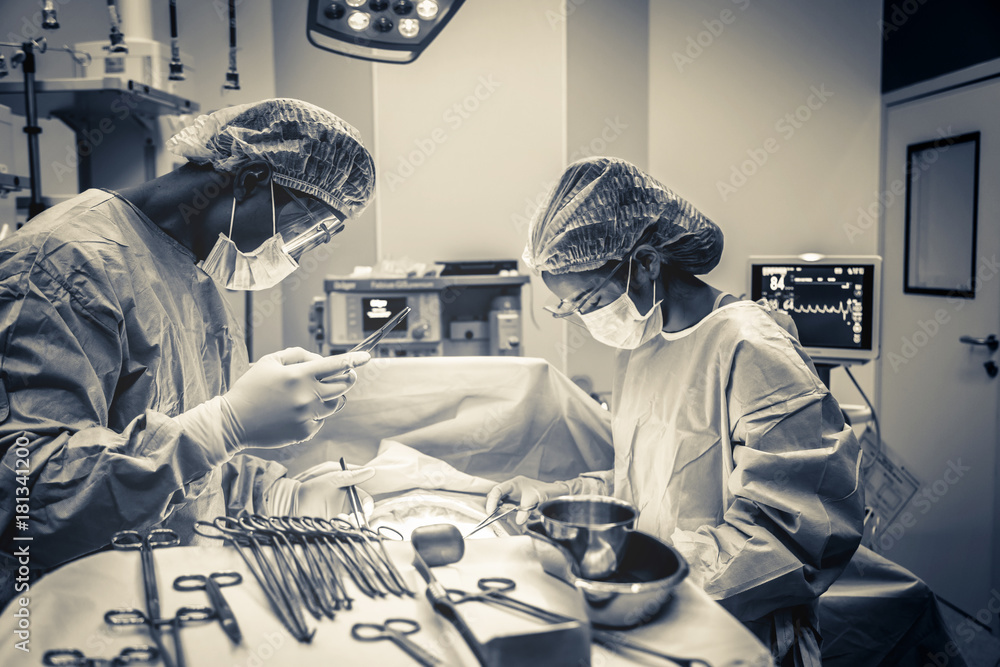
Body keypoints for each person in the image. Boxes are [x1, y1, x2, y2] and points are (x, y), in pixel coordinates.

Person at [487, 157, 865, 666]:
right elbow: (647, 487)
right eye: (570, 307)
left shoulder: (751, 349)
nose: (585, 319)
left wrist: (656, 580)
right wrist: (558, 498)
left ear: (644, 262)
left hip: (734, 632)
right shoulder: (644, 348)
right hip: (653, 620)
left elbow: (798, 532)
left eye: (589, 299)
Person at [0, 98, 377, 607]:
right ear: (248, 181)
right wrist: (226, 425)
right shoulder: (63, 263)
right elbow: (31, 501)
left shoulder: (191, 273)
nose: (296, 251)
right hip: (59, 609)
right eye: (301, 228)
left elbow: (191, 466)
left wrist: (279, 494)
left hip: (163, 590)